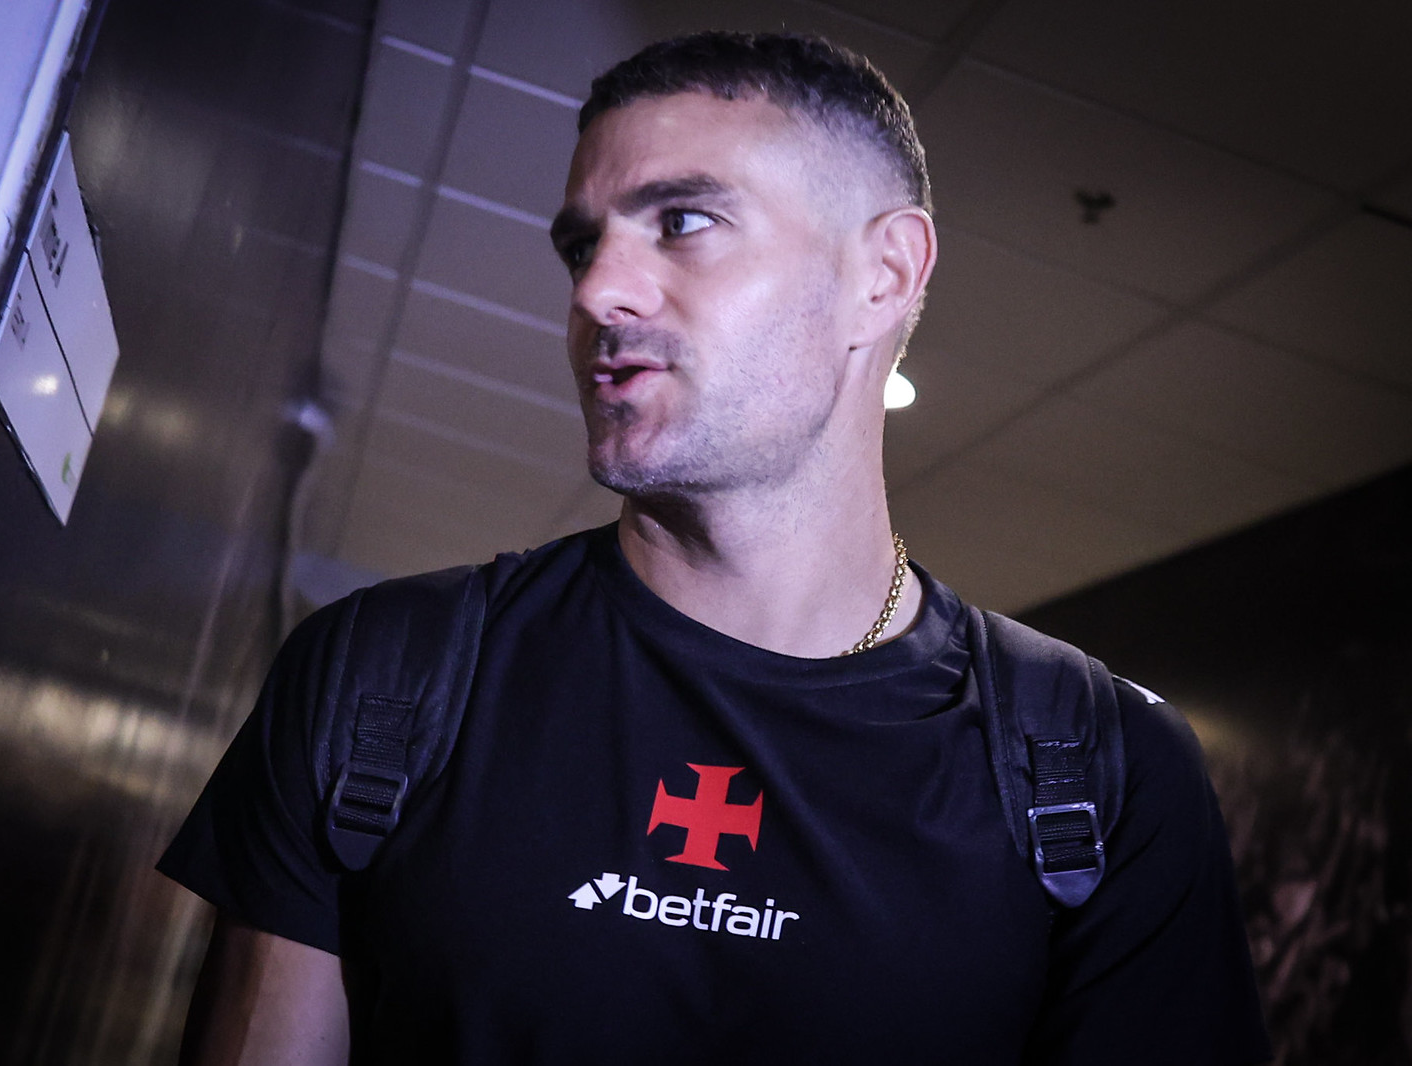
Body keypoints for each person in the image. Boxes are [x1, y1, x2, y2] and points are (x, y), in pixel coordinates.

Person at [160, 32, 1271, 1065]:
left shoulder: (1099, 772)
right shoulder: (382, 673)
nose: (597, 290)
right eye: (582, 245)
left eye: (683, 221)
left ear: (883, 275)